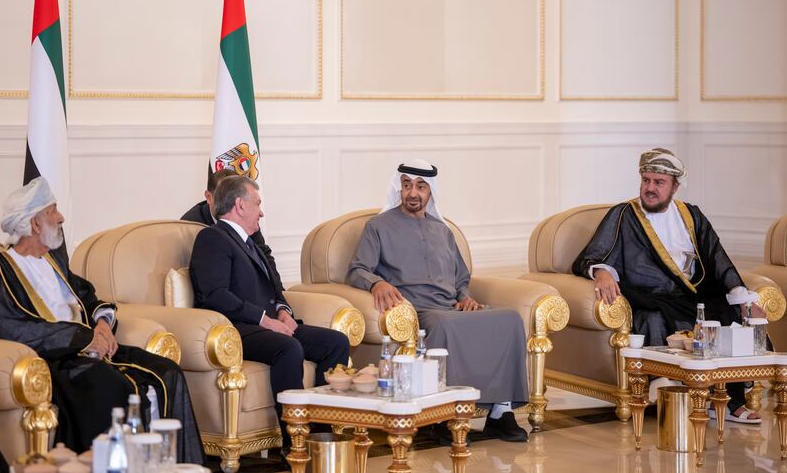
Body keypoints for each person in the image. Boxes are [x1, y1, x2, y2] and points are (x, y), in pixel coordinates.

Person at [0, 178, 204, 461]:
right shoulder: (0, 270)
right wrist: (83, 338)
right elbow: (14, 329)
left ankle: (171, 466)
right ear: (35, 224)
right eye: (53, 211)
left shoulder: (52, 262)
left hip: (96, 349)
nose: (61, 217)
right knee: (109, 385)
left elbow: (89, 298)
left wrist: (101, 324)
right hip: (57, 361)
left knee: (167, 372)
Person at [572, 147, 763, 423]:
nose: (650, 188)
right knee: (653, 317)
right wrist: (601, 271)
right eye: (646, 180)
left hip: (691, 295)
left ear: (675, 186)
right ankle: (671, 391)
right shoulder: (624, 214)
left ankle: (726, 402)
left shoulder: (691, 215)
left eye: (658, 183)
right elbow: (593, 254)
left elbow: (717, 257)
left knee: (727, 316)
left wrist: (742, 297)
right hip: (650, 298)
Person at [346, 159, 530, 443]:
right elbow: (357, 269)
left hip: (451, 307)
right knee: (444, 324)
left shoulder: (442, 230)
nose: (413, 193)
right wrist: (377, 282)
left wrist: (465, 297)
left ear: (431, 191)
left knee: (509, 319)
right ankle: (443, 416)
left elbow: (460, 278)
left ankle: (500, 413)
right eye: (407, 185)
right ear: (399, 187)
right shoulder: (378, 226)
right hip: (418, 309)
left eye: (421, 186)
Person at [188, 175, 349, 458]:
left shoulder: (252, 241)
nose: (261, 211)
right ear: (239, 205)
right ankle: (294, 443)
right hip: (237, 329)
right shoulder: (212, 238)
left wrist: (284, 311)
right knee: (288, 348)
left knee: (335, 342)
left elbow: (274, 287)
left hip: (269, 324)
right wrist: (265, 319)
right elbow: (215, 294)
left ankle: (319, 438)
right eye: (257, 203)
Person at [182, 168, 285, 295]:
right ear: (209, 197)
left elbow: (264, 256)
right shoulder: (189, 225)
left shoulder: (247, 219)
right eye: (223, 195)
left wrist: (281, 298)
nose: (231, 202)